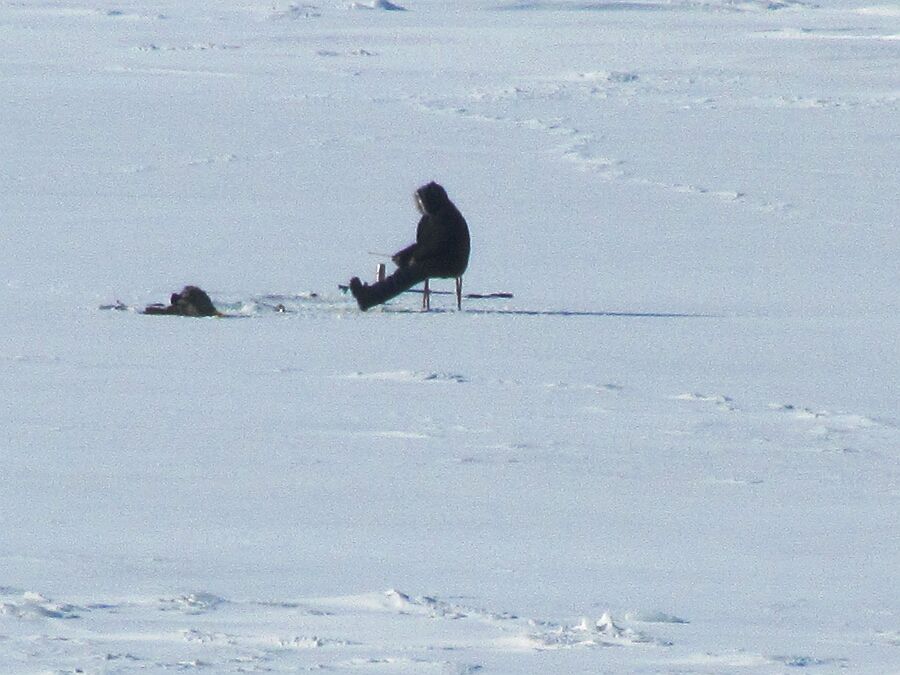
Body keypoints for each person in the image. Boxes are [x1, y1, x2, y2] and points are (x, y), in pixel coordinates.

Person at [349, 181, 470, 311]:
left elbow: (437, 245)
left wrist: (415, 257)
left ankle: (369, 297)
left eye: (420, 201)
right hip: (435, 259)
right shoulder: (430, 218)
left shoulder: (446, 217)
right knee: (406, 271)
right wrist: (405, 255)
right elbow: (423, 244)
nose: (418, 205)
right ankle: (370, 294)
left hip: (452, 262)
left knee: (411, 272)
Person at [142, 285, 222, 317]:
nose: (180, 308)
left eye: (184, 306)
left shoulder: (207, 312)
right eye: (178, 305)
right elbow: (148, 310)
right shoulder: (172, 310)